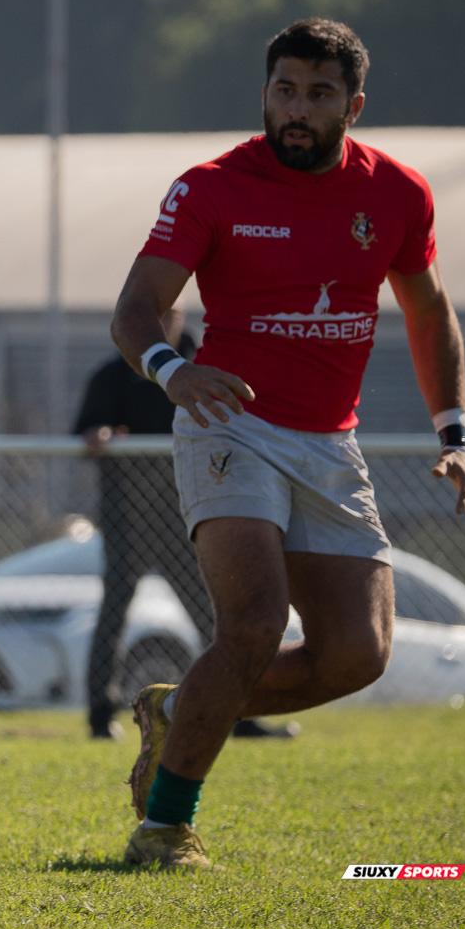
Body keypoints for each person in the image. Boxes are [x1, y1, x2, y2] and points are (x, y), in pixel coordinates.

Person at [108, 18, 465, 869]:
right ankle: (164, 828)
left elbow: (429, 311)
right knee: (253, 623)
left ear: (354, 106)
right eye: (285, 90)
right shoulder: (210, 188)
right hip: (228, 425)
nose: (297, 109)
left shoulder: (397, 193)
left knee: (358, 654)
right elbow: (134, 310)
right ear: (265, 94)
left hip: (328, 443)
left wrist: (454, 434)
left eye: (319, 95)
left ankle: (178, 710)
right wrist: (173, 370)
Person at [75, 315, 298, 743]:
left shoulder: (204, 366)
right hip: (127, 520)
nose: (159, 324)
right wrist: (98, 436)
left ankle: (241, 711)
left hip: (188, 516)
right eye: (151, 315)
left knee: (214, 611)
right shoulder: (112, 375)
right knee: (113, 613)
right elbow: (87, 431)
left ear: (180, 317)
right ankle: (100, 718)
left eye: (168, 315)